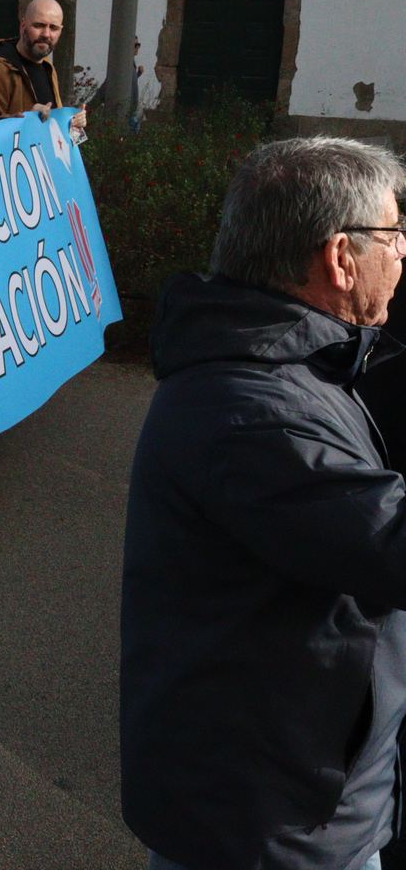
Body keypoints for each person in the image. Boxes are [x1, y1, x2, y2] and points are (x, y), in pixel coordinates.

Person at [122, 137, 406, 870]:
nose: (403, 251)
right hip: (268, 825)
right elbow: (389, 541)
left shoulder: (292, 358)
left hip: (295, 795)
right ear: (341, 257)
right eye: (394, 234)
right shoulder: (255, 406)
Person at [0, 0, 88, 133]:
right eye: (39, 26)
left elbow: (52, 127)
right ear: (23, 26)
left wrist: (71, 123)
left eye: (53, 28)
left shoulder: (48, 67)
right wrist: (28, 118)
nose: (46, 34)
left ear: (60, 31)